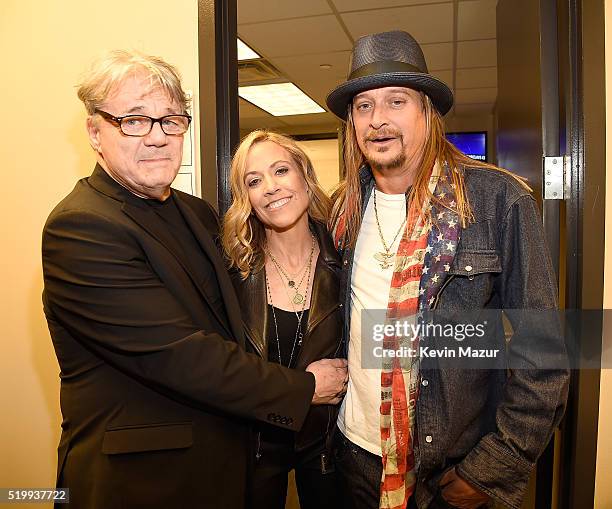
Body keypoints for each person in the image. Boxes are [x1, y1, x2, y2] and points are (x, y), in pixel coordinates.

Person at [41, 50, 347, 509]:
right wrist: (303, 389)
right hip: (145, 484)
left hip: (229, 470)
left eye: (171, 121)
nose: (158, 138)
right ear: (95, 132)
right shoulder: (82, 227)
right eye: (134, 120)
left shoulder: (195, 212)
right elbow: (181, 356)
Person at [325, 31, 569, 509]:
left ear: (427, 112)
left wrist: (494, 467)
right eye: (363, 106)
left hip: (451, 468)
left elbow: (542, 350)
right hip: (355, 455)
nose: (378, 120)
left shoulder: (496, 200)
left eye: (396, 101)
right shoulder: (345, 206)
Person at [221, 130, 342, 509]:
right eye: (254, 181)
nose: (270, 188)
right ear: (247, 200)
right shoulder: (231, 273)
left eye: (281, 171)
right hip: (253, 448)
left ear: (305, 176)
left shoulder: (348, 261)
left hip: (328, 446)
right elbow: (219, 367)